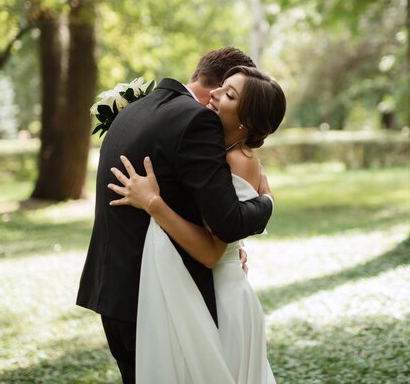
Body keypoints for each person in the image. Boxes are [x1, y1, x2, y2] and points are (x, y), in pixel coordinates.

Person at [76, 48, 275, 384]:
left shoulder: (134, 110)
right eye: (226, 89)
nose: (217, 99)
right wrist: (267, 202)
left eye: (230, 95)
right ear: (216, 85)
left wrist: (228, 247)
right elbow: (228, 223)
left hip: (114, 291)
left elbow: (199, 208)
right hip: (155, 299)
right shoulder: (196, 122)